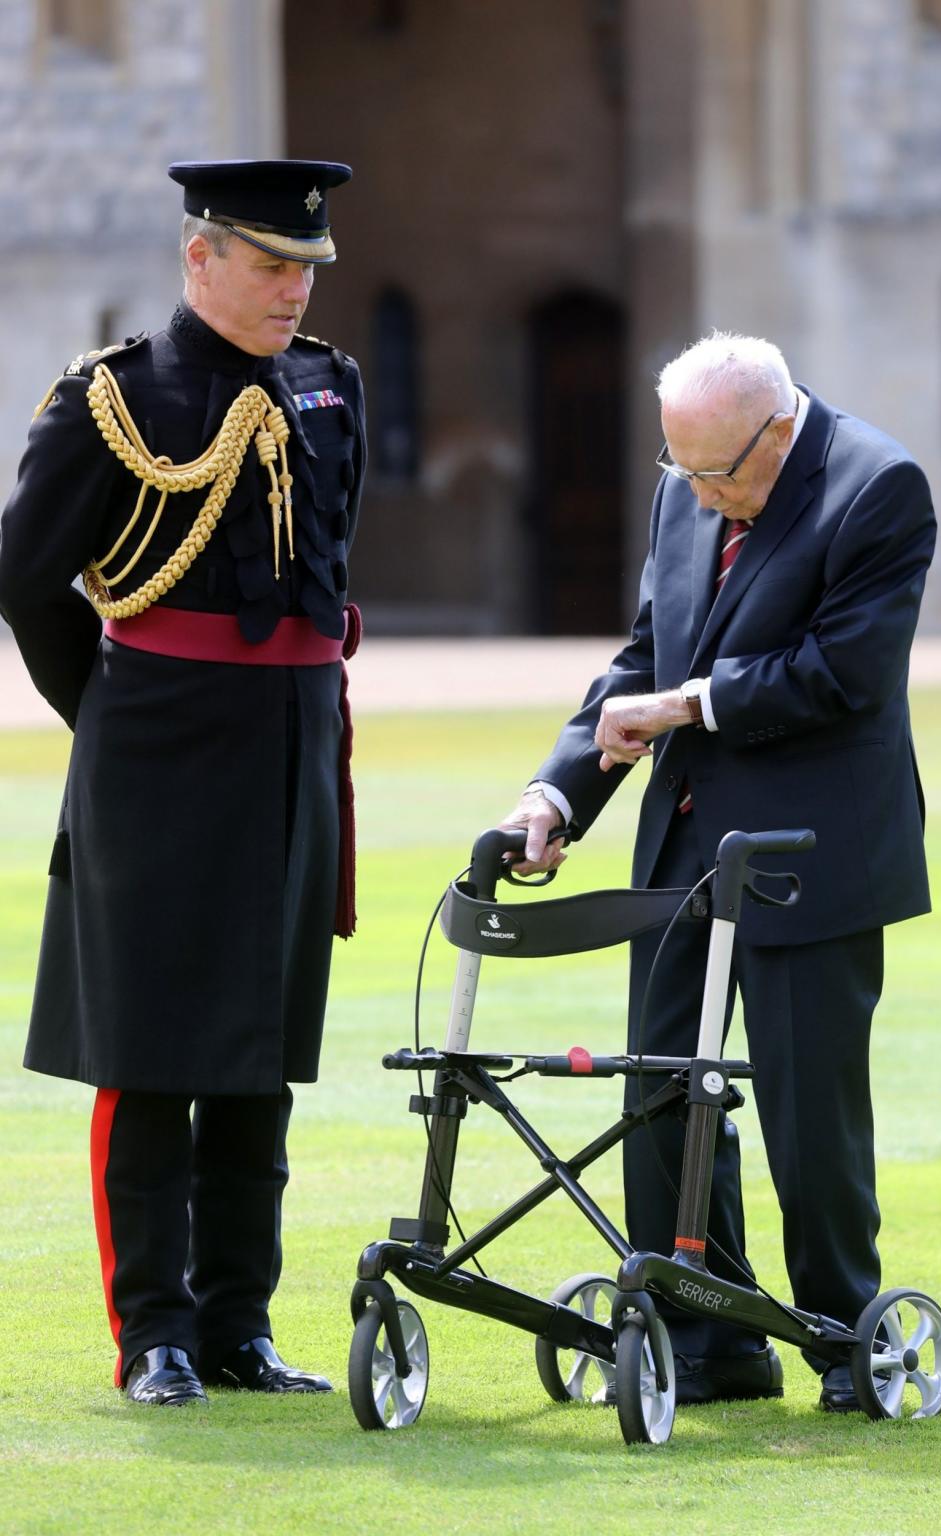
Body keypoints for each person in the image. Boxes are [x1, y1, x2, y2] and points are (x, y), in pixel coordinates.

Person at [502, 332, 935, 1413]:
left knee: (806, 1108)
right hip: (689, 846)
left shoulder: (879, 490)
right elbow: (646, 655)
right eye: (678, 471)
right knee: (659, 1088)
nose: (696, 494)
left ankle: (847, 1341)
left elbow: (848, 670)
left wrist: (694, 704)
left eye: (716, 474)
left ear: (779, 432)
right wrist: (554, 794)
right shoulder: (692, 480)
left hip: (813, 855)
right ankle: (708, 1338)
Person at [0, 160, 366, 1406]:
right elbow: (26, 576)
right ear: (198, 258)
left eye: (305, 267)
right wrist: (105, 713)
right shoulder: (112, 397)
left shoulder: (329, 384)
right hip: (154, 752)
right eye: (269, 265)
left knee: (259, 1056)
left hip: (294, 750)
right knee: (151, 1052)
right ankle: (153, 1334)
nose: (292, 290)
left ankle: (238, 1326)